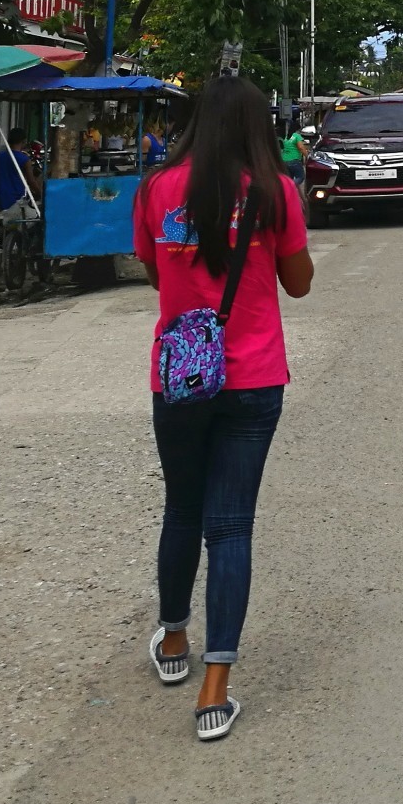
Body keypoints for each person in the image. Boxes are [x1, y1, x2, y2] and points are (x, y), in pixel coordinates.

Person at [135, 74, 314, 743]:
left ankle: (175, 640)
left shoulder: (155, 188)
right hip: (253, 378)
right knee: (230, 527)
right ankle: (215, 690)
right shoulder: (274, 192)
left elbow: (155, 271)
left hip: (180, 374)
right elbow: (297, 285)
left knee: (182, 507)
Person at [0, 127, 41, 215]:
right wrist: (40, 193)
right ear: (23, 141)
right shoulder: (25, 159)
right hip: (17, 199)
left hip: (0, 198)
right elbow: (31, 181)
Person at [277, 122, 306, 192]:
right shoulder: (296, 136)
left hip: (284, 161)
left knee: (289, 178)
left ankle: (287, 192)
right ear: (297, 129)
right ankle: (288, 186)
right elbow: (301, 147)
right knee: (301, 177)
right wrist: (307, 155)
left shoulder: (286, 137)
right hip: (294, 160)